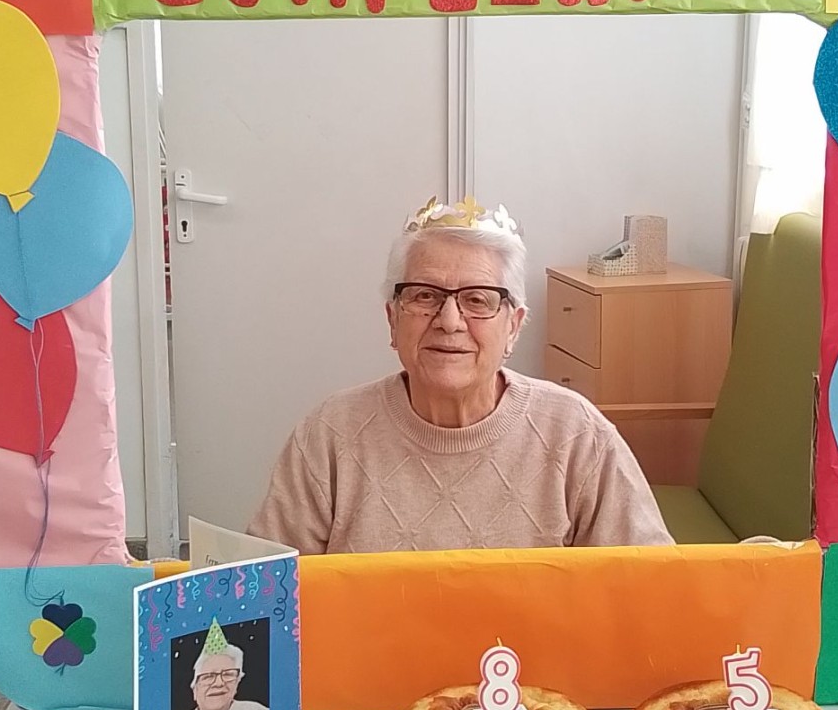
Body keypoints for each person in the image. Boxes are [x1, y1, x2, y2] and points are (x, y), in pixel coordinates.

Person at [248, 196, 674, 554]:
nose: (449, 321)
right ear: (393, 319)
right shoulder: (328, 434)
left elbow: (650, 584)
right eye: (425, 296)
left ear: (513, 326)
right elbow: (265, 594)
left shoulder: (578, 434)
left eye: (477, 299)